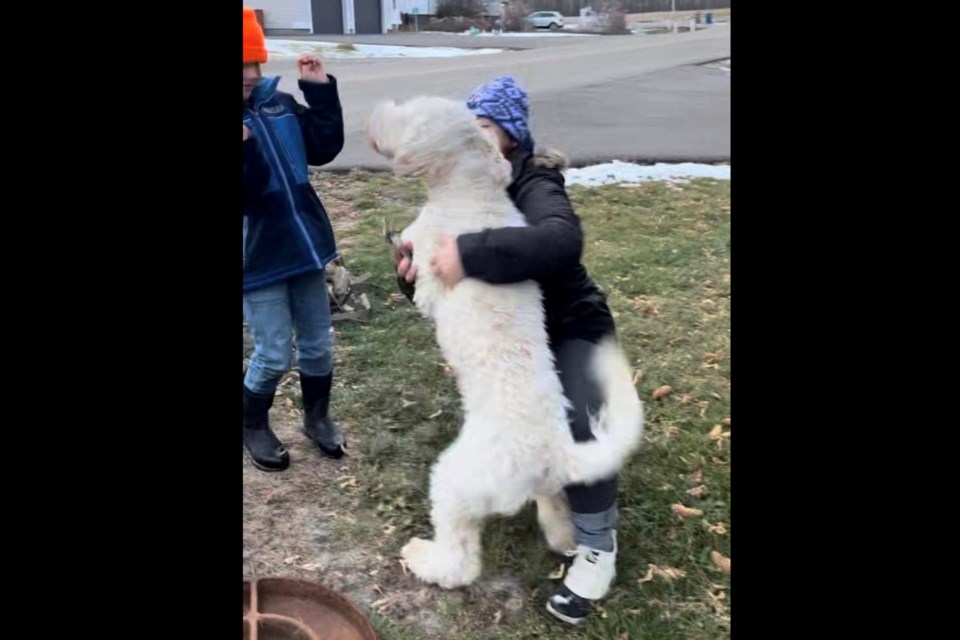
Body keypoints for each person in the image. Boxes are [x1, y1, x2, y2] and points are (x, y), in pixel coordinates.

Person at [392, 76, 623, 625]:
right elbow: (438, 280)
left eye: (484, 127)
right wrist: (411, 273)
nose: (471, 138)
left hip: (573, 324)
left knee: (580, 421)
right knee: (521, 418)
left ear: (511, 138)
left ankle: (596, 547)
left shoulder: (535, 181)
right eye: (465, 128)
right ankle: (549, 497)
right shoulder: (459, 189)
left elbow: (562, 241)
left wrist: (468, 252)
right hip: (514, 339)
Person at [242, 6, 346, 471]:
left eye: (252, 64)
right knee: (272, 352)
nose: (247, 75)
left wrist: (319, 92)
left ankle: (317, 417)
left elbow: (323, 148)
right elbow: (252, 192)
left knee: (318, 342)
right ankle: (253, 424)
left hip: (304, 247)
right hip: (256, 258)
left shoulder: (278, 104)